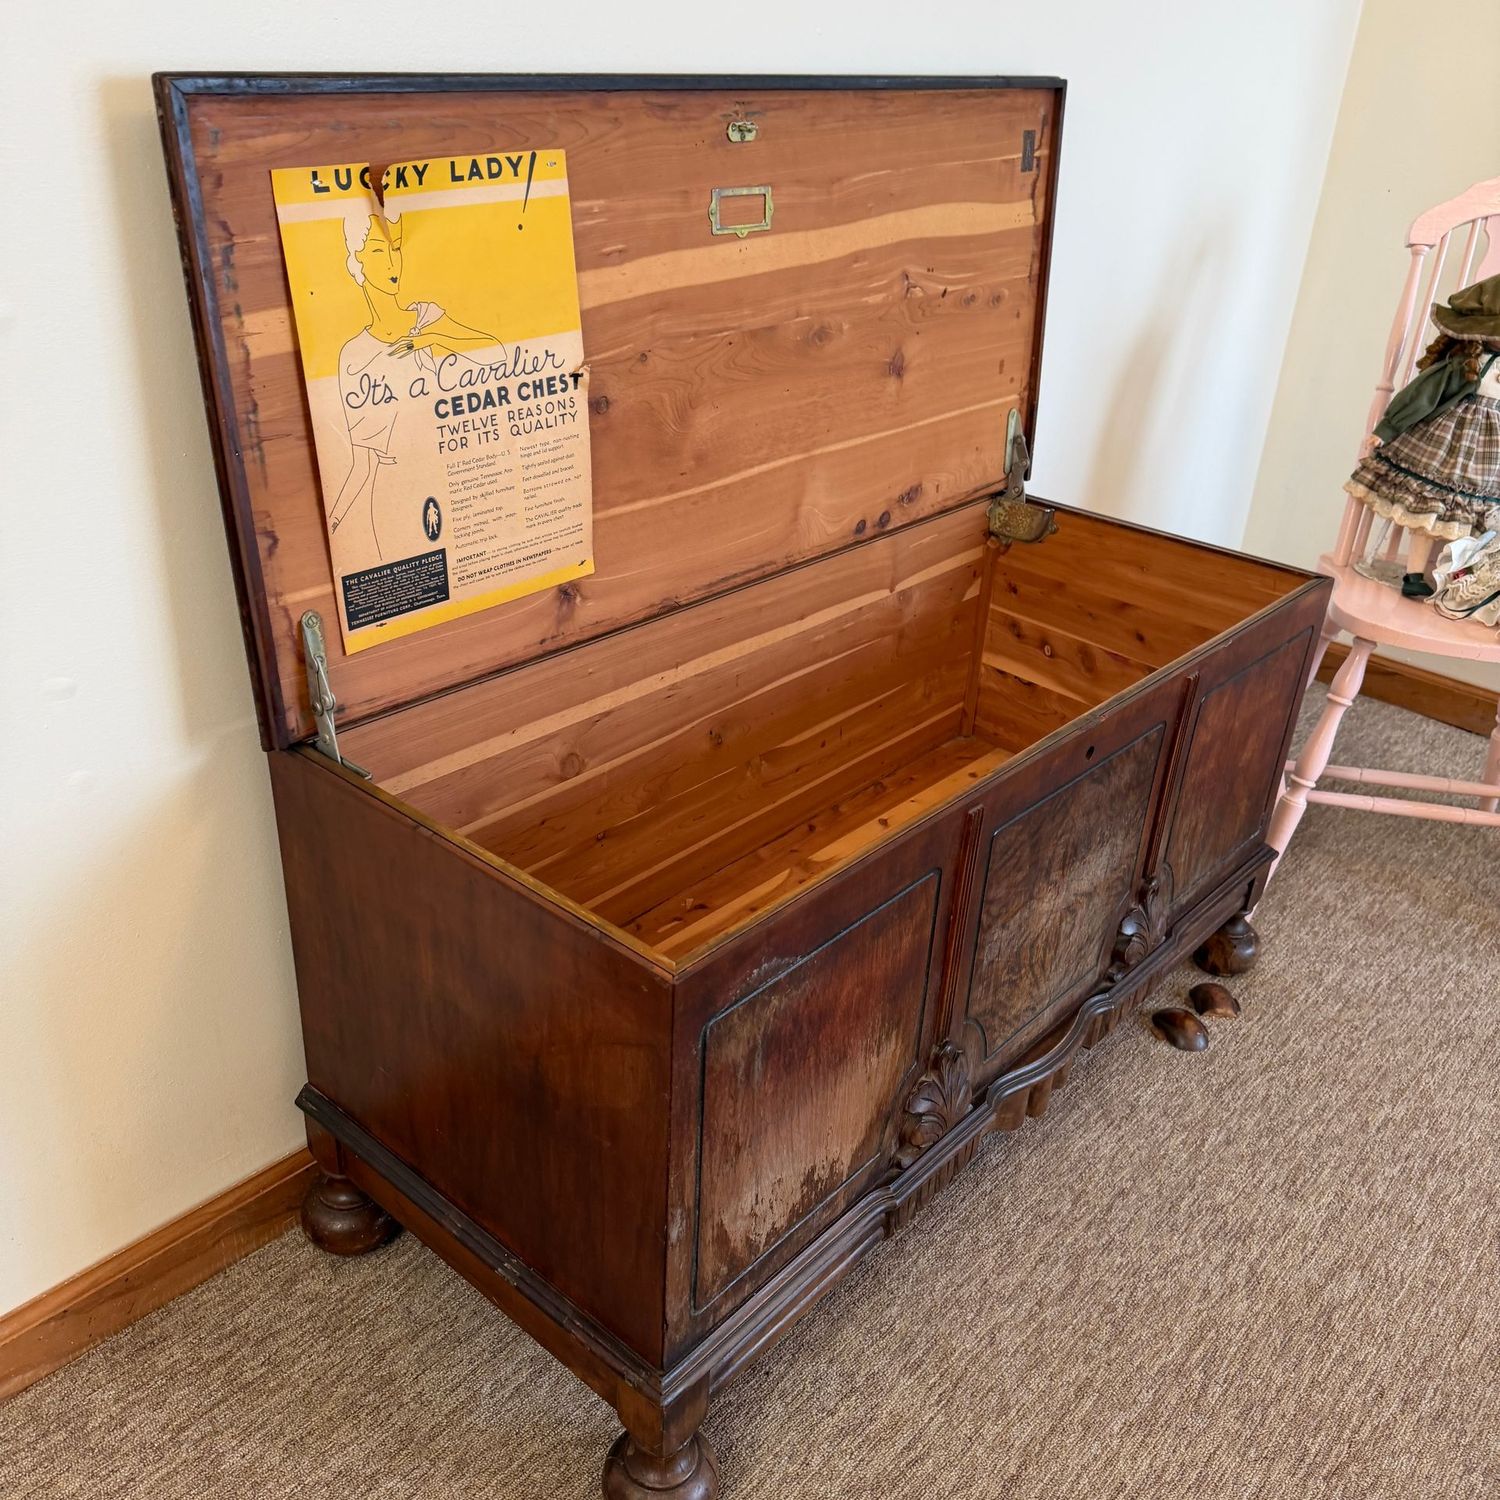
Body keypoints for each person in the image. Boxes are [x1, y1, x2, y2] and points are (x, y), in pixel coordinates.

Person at [328, 211, 496, 558]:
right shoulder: (353, 355)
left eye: (396, 248)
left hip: (451, 476)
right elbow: (362, 462)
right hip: (393, 493)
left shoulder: (427, 317)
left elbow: (495, 352)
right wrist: (334, 519)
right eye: (377, 251)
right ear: (355, 261)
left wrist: (430, 339)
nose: (392, 262)